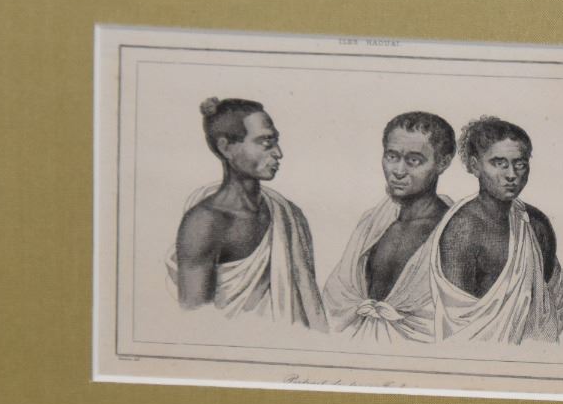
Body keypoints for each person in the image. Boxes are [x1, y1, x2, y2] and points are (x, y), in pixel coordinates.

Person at [169, 97, 326, 330]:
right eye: (265, 142)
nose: (278, 153)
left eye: (276, 141)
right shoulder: (204, 223)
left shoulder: (289, 215)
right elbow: (194, 321)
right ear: (226, 148)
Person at [431, 116, 563, 343]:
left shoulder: (536, 223)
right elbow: (461, 321)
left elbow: (548, 303)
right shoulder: (462, 229)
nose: (512, 174)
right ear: (475, 166)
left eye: (520, 164)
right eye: (499, 163)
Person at [322, 112, 456, 342]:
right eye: (392, 156)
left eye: (414, 160)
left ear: (442, 163)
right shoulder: (371, 223)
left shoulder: (455, 231)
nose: (398, 171)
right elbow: (337, 299)